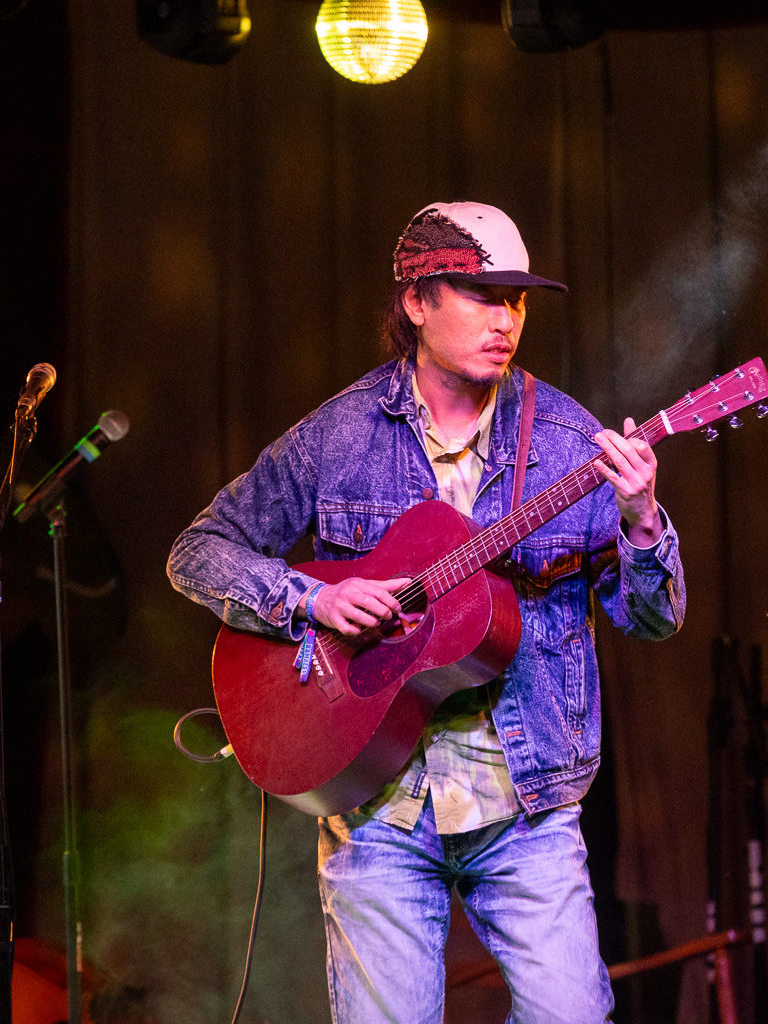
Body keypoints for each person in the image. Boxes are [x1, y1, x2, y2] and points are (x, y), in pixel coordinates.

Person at [167, 201, 686, 1024]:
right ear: (416, 301)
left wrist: (643, 521)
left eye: (516, 300)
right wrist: (314, 598)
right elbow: (198, 552)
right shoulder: (339, 436)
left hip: (527, 802)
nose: (505, 319)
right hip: (377, 804)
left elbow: (652, 620)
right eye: (481, 294)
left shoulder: (565, 440)